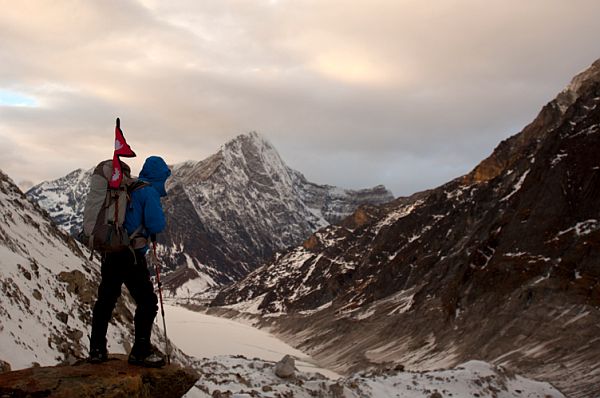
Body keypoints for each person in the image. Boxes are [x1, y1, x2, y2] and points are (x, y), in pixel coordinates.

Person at [88, 156, 171, 367]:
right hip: (130, 256)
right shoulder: (149, 191)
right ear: (159, 176)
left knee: (106, 299)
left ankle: (96, 349)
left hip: (111, 251)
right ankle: (140, 352)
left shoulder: (129, 187)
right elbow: (156, 224)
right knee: (147, 302)